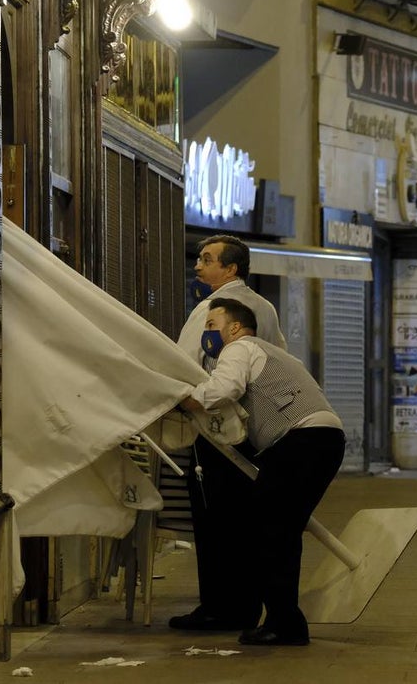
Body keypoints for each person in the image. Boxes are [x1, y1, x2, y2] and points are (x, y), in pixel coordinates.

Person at [181, 297, 345, 646]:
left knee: (271, 530)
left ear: (235, 327)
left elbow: (224, 389)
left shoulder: (239, 348)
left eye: (211, 325)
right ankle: (282, 619)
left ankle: (285, 624)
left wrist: (185, 398)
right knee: (277, 528)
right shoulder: (276, 353)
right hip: (323, 438)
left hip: (301, 439)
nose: (206, 333)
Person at [169, 235, 287, 634]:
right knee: (247, 520)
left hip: (215, 425)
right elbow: (279, 354)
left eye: (207, 260)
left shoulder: (210, 308)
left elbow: (184, 362)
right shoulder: (266, 308)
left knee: (214, 519)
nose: (198, 266)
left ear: (231, 268)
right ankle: (246, 605)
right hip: (256, 429)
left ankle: (219, 607)